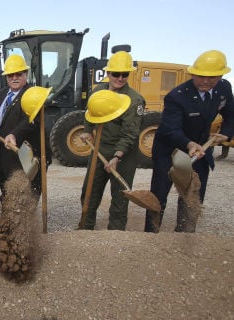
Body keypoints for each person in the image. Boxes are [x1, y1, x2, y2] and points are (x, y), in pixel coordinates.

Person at [145, 50, 234, 233]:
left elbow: (231, 114)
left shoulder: (223, 88)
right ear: (192, 73)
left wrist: (225, 133)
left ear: (221, 75)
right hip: (170, 149)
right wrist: (189, 144)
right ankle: (151, 235)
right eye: (201, 76)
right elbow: (171, 130)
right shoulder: (177, 97)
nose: (206, 81)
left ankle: (185, 233)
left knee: (193, 193)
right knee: (159, 193)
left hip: (201, 149)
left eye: (213, 77)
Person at [76, 51, 145, 230]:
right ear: (108, 73)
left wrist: (117, 156)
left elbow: (130, 134)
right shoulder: (99, 91)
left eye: (125, 74)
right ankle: (85, 226)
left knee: (120, 196)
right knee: (90, 191)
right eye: (116, 74)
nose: (120, 78)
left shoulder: (134, 100)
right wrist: (87, 131)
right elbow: (90, 113)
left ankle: (115, 234)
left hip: (123, 154)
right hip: (99, 148)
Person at [0, 55, 45, 198]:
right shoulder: (1, 94)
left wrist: (14, 134)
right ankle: (7, 218)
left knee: (23, 196)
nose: (14, 77)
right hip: (3, 155)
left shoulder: (33, 95)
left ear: (26, 74)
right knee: (6, 190)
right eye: (10, 75)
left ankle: (23, 220)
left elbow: (30, 120)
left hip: (22, 155)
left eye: (19, 74)